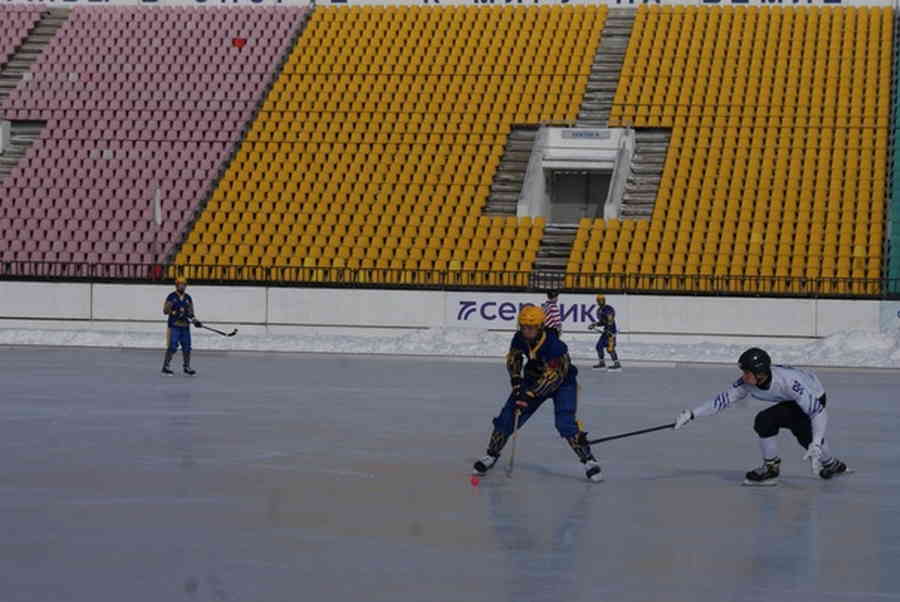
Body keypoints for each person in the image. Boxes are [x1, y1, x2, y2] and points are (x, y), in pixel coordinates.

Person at [673, 348, 849, 486]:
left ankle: (829, 462)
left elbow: (818, 412)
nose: (743, 376)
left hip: (815, 394)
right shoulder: (746, 383)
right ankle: (774, 467)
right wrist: (692, 414)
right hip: (790, 400)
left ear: (761, 373)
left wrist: (817, 441)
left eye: (747, 372)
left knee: (805, 436)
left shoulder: (788, 383)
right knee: (766, 421)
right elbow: (721, 401)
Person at [472, 305, 603, 482]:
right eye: (523, 326)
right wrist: (516, 381)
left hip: (563, 384)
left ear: (540, 326)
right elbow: (514, 358)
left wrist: (528, 395)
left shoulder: (555, 345)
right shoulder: (519, 338)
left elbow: (554, 377)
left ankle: (589, 460)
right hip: (532, 379)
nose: (527, 330)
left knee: (565, 423)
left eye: (531, 327)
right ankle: (491, 454)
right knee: (507, 417)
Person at [162, 276, 202, 376]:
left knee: (187, 347)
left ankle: (187, 367)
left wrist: (195, 321)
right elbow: (165, 311)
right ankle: (166, 366)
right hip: (174, 326)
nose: (182, 286)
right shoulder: (171, 296)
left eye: (184, 284)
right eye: (180, 284)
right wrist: (174, 312)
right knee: (172, 346)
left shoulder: (188, 298)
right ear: (176, 285)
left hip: (185, 327)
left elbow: (191, 312)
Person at [588, 294, 620, 371]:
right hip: (606, 331)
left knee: (610, 349)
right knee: (599, 346)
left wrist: (609, 330)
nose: (600, 301)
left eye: (602, 300)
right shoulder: (599, 310)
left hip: (611, 331)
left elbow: (610, 320)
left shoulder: (608, 308)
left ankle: (617, 364)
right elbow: (602, 322)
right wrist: (594, 324)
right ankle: (602, 363)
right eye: (599, 300)